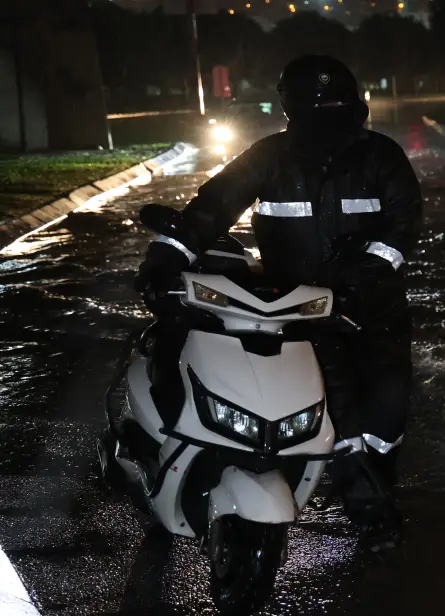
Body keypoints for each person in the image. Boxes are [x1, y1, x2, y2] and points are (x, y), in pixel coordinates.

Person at [134, 54, 421, 553]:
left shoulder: (382, 157)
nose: (330, 113)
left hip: (374, 315)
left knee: (386, 418)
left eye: (338, 102)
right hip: (298, 313)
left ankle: (371, 491)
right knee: (338, 415)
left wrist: (360, 279)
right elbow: (210, 210)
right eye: (321, 104)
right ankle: (369, 512)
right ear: (292, 109)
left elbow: (402, 228)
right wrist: (164, 259)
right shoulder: (268, 158)